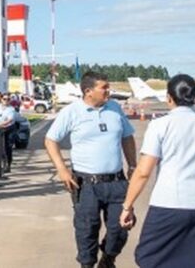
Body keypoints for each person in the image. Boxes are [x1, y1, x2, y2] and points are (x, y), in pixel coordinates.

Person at [120, 74, 195, 268]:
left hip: (168, 202)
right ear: (194, 96)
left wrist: (127, 206)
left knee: (151, 257)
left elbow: (144, 172)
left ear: (169, 97)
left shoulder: (159, 125)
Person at [45, 71, 137, 268]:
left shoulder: (114, 108)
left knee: (121, 227)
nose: (108, 91)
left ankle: (108, 258)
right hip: (86, 185)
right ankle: (87, 265)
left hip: (117, 182)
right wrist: (62, 169)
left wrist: (133, 164)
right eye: (103, 87)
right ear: (88, 91)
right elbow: (50, 140)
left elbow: (127, 136)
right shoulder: (72, 112)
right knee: (87, 230)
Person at [0, 90, 17, 175]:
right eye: (4, 99)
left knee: (7, 147)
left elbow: (9, 120)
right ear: (1, 99)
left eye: (8, 99)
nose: (6, 101)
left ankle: (7, 164)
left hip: (8, 129)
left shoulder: (11, 109)